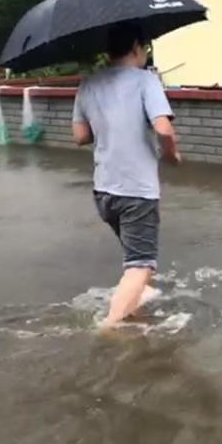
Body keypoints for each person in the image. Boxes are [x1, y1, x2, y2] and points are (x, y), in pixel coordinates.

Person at [71, 22, 181, 328]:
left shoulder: (88, 84)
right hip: (137, 190)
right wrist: (172, 154)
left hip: (104, 192)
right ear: (136, 47)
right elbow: (163, 128)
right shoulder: (146, 81)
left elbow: (79, 136)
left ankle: (134, 315)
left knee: (139, 262)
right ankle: (110, 328)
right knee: (141, 265)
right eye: (144, 47)